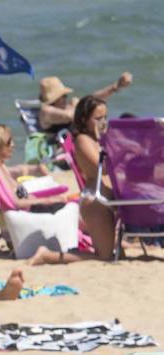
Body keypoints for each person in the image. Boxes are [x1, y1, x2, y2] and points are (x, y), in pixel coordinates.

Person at [0, 123, 87, 267]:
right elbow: (15, 202)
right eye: (8, 143)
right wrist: (49, 200)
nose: (12, 145)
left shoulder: (0, 167)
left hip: (30, 207)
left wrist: (40, 198)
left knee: (75, 204)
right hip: (28, 211)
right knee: (78, 209)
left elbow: (19, 192)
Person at [69, 96, 119, 261]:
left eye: (105, 117)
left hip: (108, 199)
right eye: (98, 118)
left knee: (114, 254)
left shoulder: (99, 140)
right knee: (104, 256)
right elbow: (104, 168)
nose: (103, 122)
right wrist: (105, 140)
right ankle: (49, 256)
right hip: (96, 201)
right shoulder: (83, 140)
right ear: (84, 119)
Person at [37, 73, 131, 136]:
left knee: (126, 118)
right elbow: (68, 116)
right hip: (64, 151)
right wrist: (76, 105)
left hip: (82, 141)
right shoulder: (45, 111)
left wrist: (115, 86)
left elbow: (92, 99)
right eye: (64, 95)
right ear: (55, 99)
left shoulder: (68, 108)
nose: (66, 97)